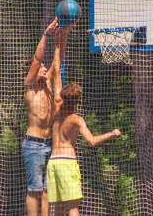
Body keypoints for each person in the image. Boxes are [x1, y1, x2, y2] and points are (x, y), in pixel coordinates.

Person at [47, 27, 122, 216]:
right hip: (67, 162)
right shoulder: (76, 119)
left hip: (53, 162)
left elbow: (56, 73)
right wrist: (113, 133)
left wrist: (57, 46)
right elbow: (92, 141)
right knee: (73, 208)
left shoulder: (57, 107)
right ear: (78, 100)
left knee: (57, 209)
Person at [22, 17, 73, 216]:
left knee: (45, 189)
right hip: (33, 144)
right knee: (34, 190)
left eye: (45, 67)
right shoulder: (31, 86)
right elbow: (37, 60)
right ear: (33, 73)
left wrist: (64, 36)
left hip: (48, 144)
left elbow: (58, 59)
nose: (44, 68)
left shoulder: (47, 84)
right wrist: (46, 34)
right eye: (41, 68)